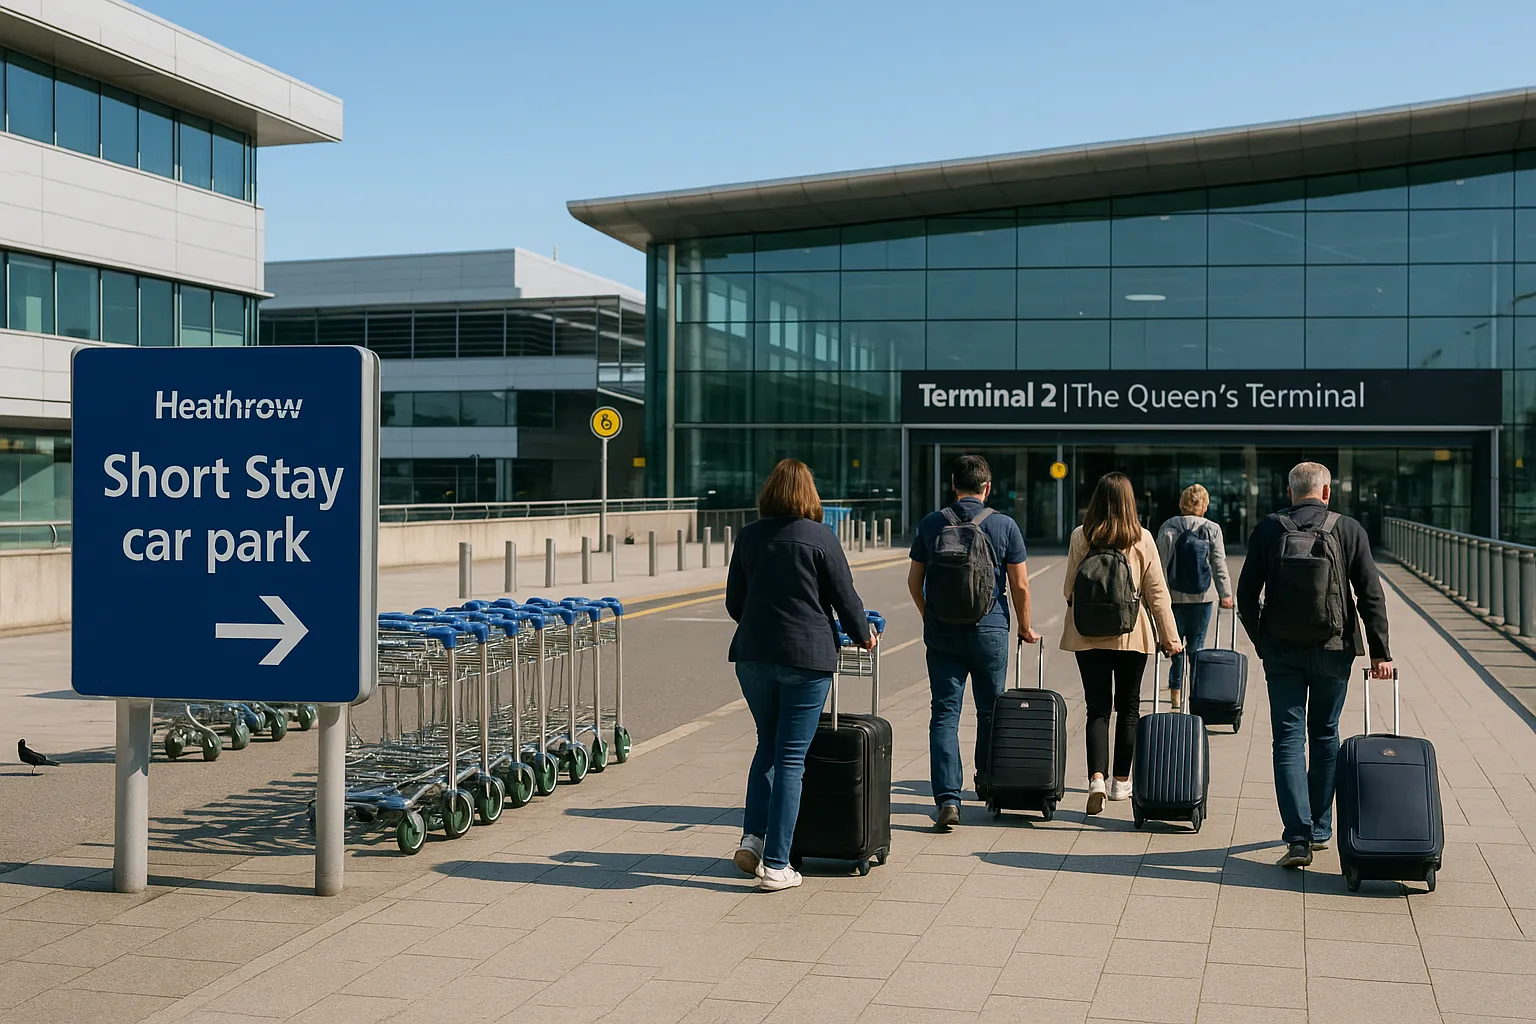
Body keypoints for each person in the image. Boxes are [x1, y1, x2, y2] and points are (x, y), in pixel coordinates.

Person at [726, 458, 875, 892]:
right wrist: (863, 635)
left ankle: (752, 839)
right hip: (807, 657)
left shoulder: (750, 536)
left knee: (766, 747)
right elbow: (845, 598)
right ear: (809, 495)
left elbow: (736, 602)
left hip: (753, 656)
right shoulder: (820, 537)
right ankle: (776, 864)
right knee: (792, 756)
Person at [1238, 462, 1392, 869]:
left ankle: (1299, 837)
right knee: (1325, 736)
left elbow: (1246, 593)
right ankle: (1321, 827)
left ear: (1291, 493)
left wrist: (1264, 642)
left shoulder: (1269, 529)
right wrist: (1381, 652)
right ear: (1326, 492)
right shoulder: (1348, 528)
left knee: (1288, 741)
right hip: (1333, 648)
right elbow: (1370, 594)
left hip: (1282, 653)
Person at [907, 454, 1037, 832]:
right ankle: (986, 784)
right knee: (990, 712)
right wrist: (1025, 628)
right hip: (990, 630)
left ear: (953, 484)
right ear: (987, 487)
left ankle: (948, 799)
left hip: (943, 633)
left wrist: (930, 615)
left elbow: (914, 583)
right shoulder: (1004, 525)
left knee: (945, 714)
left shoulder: (932, 523)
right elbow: (1021, 586)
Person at [1061, 472, 1181, 815]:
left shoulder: (1081, 537)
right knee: (1128, 709)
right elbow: (1158, 594)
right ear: (1131, 503)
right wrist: (1170, 638)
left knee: (1096, 709)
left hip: (1087, 634)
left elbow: (1069, 590)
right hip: (1132, 633)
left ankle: (1095, 779)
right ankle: (1120, 783)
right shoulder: (1141, 538)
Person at [1155, 484, 1235, 709]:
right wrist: (1226, 595)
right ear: (1205, 505)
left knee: (1174, 645)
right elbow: (1219, 563)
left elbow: (1159, 564)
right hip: (1203, 597)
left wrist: (1157, 597)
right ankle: (1197, 693)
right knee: (1196, 646)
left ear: (1182, 503)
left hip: (1173, 597)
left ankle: (1175, 691)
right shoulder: (1212, 529)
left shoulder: (1168, 526)